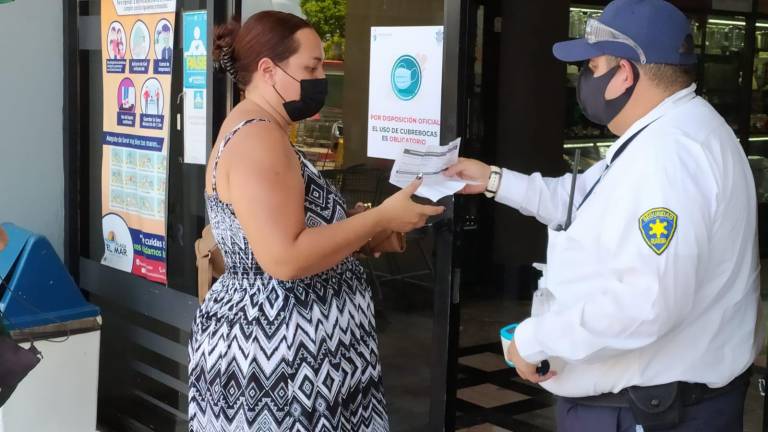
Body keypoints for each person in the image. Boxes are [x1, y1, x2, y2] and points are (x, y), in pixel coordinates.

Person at [445, 0, 762, 430]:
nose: (583, 80)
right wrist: (492, 180)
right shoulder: (666, 131)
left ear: (625, 73)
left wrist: (535, 339)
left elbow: (646, 302)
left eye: (591, 67)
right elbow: (578, 200)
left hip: (647, 413)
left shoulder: (669, 156)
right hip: (645, 405)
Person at [187, 11, 444, 432]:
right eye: (312, 67)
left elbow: (285, 231)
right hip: (286, 357)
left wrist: (360, 230)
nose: (321, 76)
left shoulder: (260, 128)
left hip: (300, 350)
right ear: (269, 70)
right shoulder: (259, 138)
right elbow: (284, 258)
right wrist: (381, 216)